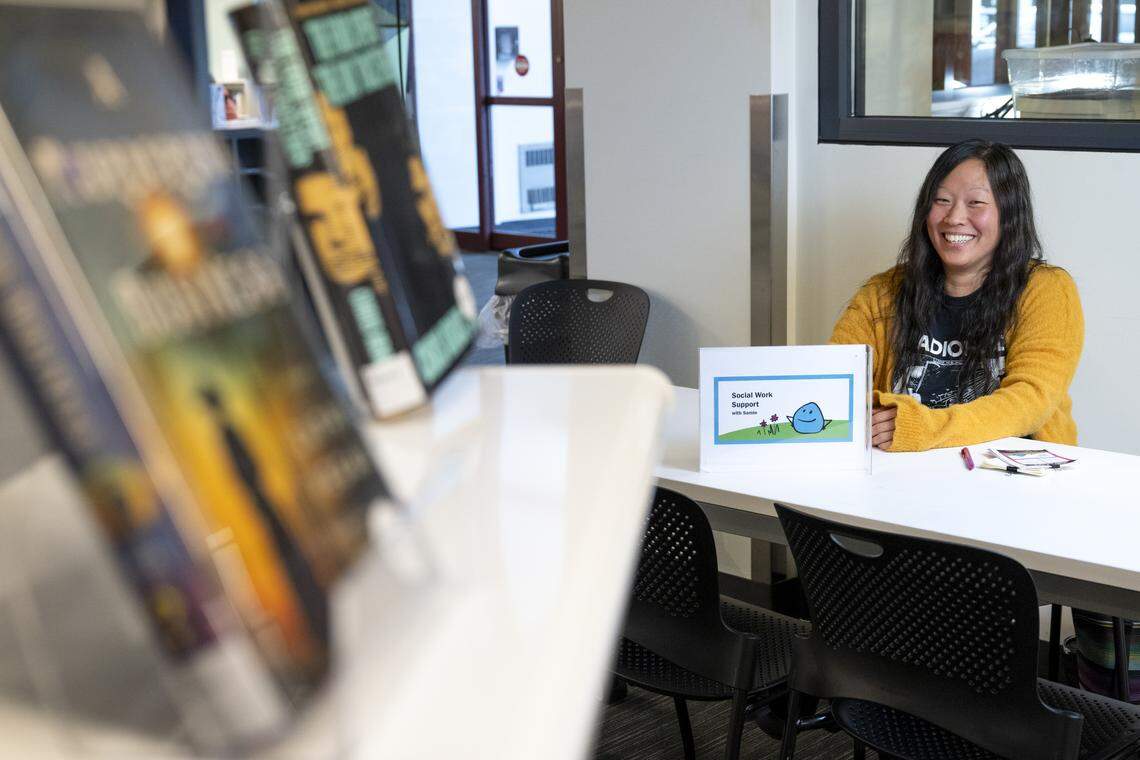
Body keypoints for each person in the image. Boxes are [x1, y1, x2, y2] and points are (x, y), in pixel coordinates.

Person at [830, 138, 1084, 452]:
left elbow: (1029, 401)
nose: (954, 218)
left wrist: (920, 426)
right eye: (941, 201)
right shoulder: (882, 293)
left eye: (975, 203)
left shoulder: (1046, 290)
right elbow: (835, 387)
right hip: (902, 481)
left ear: (1009, 213)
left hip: (1019, 482)